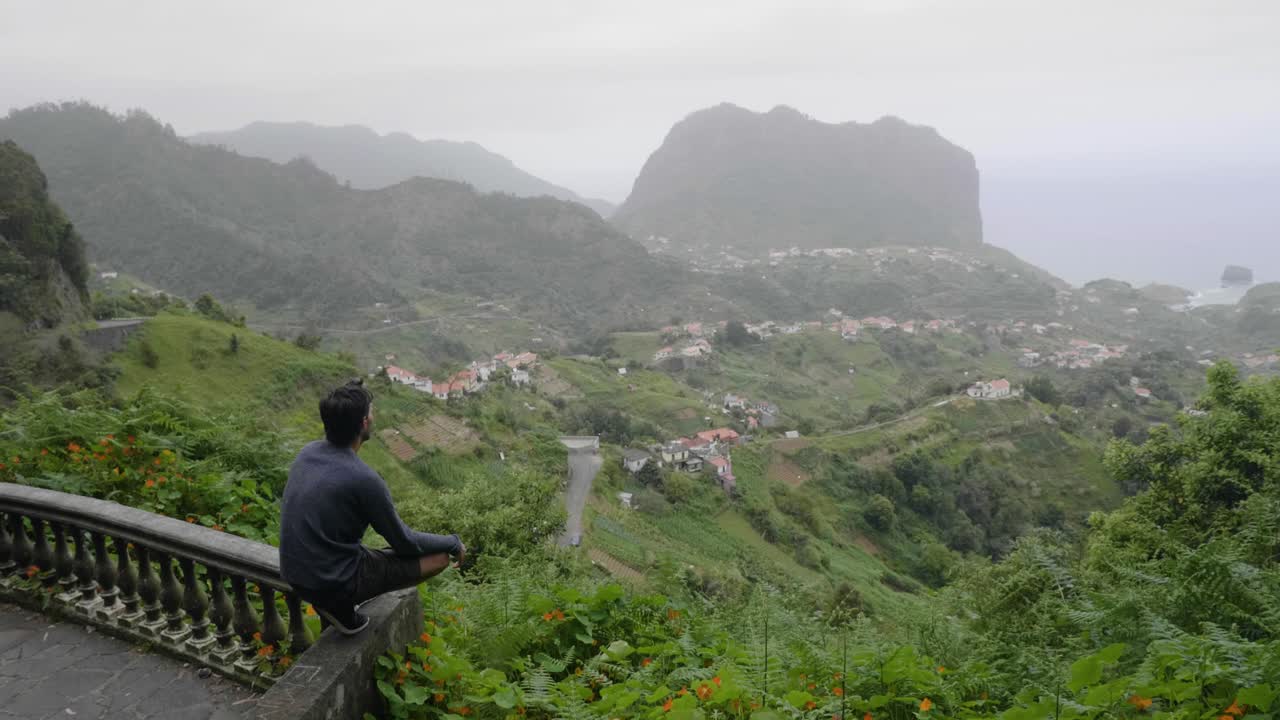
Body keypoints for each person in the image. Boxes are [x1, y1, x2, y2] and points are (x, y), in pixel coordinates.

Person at [279, 379, 464, 634]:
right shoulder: (364, 479)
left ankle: (337, 605)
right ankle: (341, 606)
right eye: (371, 412)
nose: (373, 416)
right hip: (331, 582)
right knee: (439, 557)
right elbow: (405, 542)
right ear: (364, 423)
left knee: (375, 553)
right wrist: (453, 542)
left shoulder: (307, 453)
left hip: (294, 571)